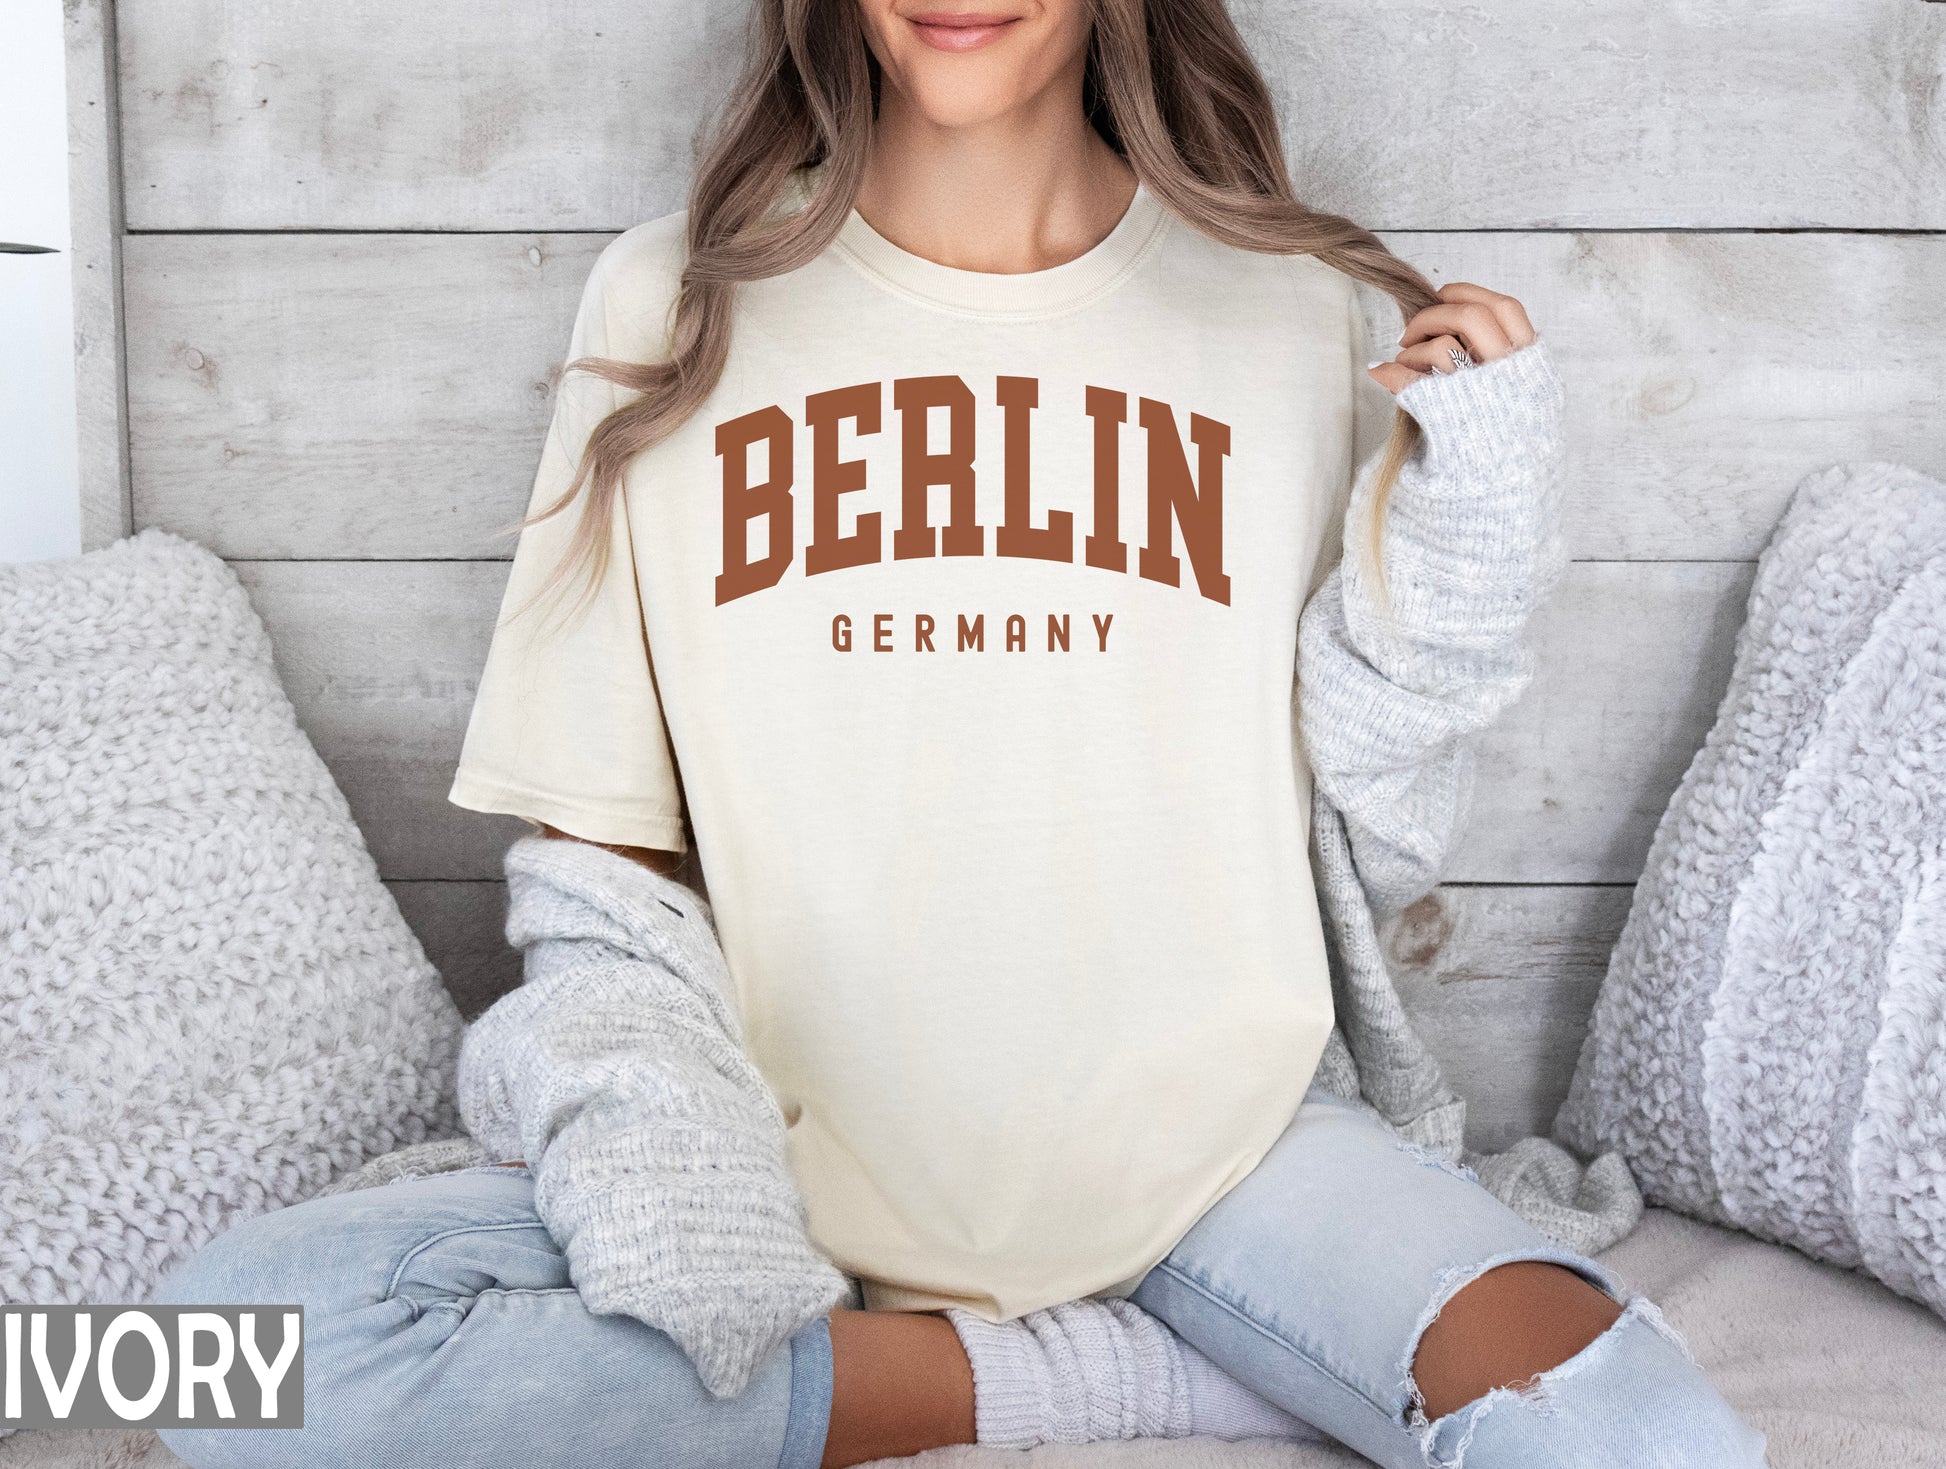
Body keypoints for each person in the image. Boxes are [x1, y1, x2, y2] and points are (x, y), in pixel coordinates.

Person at [155, 2, 1770, 1466]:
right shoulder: (673, 301)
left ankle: (1096, 1343)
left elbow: (1375, 796)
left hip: (1223, 1163)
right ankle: (1108, 1372)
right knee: (172, 1366)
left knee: (1645, 1439)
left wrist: (1474, 549)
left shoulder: (1303, 310)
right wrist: (661, 1166)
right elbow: (598, 848)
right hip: (777, 1165)